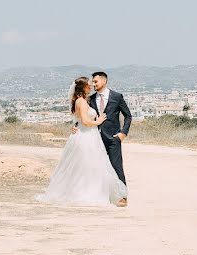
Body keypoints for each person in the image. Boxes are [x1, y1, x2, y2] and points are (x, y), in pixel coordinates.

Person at [35, 76, 128, 207]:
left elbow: (78, 119)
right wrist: (99, 121)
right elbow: (85, 121)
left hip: (92, 136)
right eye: (89, 85)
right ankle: (87, 193)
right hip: (87, 137)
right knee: (88, 165)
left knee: (92, 165)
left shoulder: (85, 100)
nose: (91, 86)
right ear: (83, 87)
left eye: (93, 83)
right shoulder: (82, 101)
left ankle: (105, 193)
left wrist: (76, 125)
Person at [88, 71, 131, 207]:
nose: (93, 84)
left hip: (113, 138)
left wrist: (123, 133)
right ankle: (101, 195)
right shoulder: (91, 99)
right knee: (96, 167)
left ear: (104, 81)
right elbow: (86, 116)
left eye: (95, 82)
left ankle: (122, 196)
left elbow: (128, 116)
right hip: (95, 138)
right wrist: (76, 127)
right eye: (93, 82)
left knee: (116, 167)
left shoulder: (117, 97)